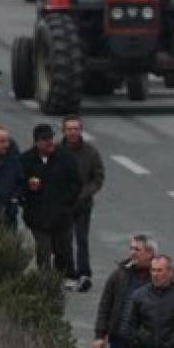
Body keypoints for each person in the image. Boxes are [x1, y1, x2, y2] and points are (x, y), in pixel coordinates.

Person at [20, 124, 80, 274]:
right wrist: (28, 188)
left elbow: (76, 183)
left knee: (62, 251)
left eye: (51, 138)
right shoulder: (26, 159)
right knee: (43, 250)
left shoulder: (65, 157)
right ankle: (45, 282)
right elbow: (18, 183)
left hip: (61, 216)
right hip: (38, 216)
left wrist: (67, 202)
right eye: (44, 139)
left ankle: (61, 277)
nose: (49, 142)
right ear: (36, 142)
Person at [94, 233, 157, 348]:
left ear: (150, 253)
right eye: (131, 248)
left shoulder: (160, 277)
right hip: (121, 341)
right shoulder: (119, 275)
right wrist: (100, 335)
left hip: (148, 346)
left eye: (137, 250)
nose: (132, 253)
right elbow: (105, 305)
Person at [62, 115, 104, 293]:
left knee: (82, 239)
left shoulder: (91, 152)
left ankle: (84, 273)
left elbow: (98, 177)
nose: (72, 132)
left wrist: (85, 193)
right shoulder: (57, 151)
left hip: (83, 205)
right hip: (62, 205)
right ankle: (68, 273)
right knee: (64, 239)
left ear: (81, 130)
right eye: (69, 129)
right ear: (63, 131)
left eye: (75, 128)